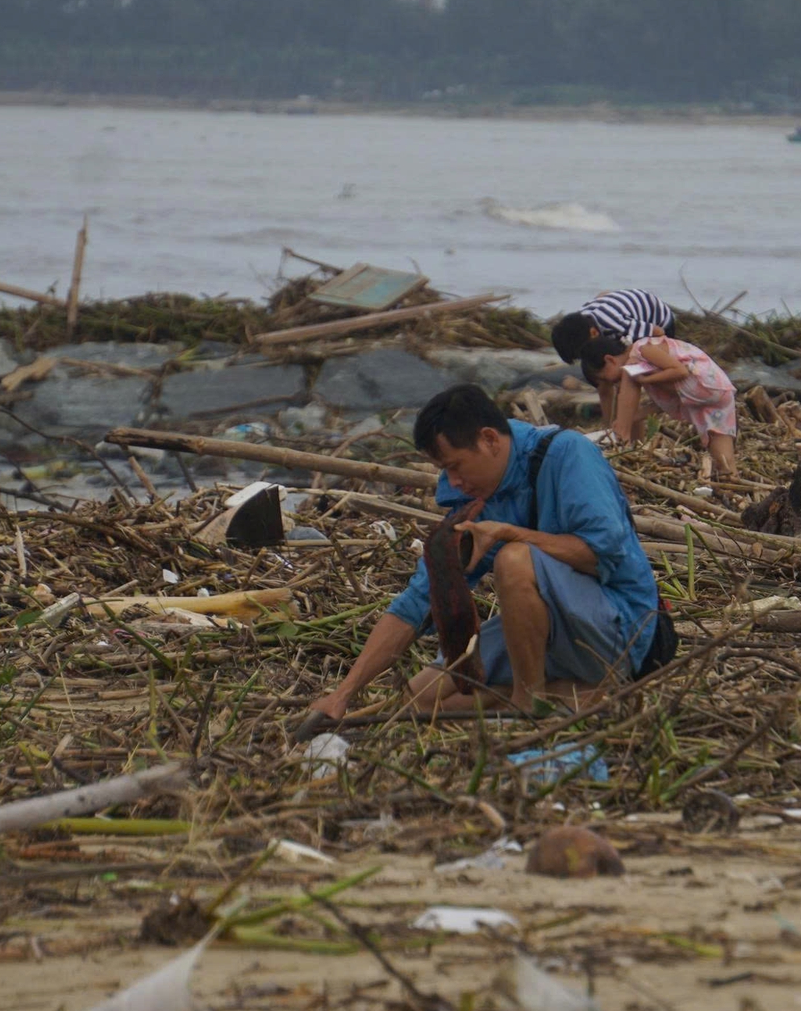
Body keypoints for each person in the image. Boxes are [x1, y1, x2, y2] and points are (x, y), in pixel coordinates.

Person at [309, 385, 666, 721]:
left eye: (455, 465)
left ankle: (528, 704)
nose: (453, 482)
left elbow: (601, 554)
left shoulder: (568, 453)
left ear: (489, 440)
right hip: (550, 635)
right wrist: (344, 693)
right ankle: (570, 694)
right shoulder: (476, 499)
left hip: (620, 630)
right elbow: (419, 601)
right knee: (418, 701)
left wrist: (511, 534)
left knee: (514, 559)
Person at [581, 332, 738, 479]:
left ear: (610, 360)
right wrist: (634, 417)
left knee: (629, 371)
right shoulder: (644, 368)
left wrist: (645, 381)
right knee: (723, 461)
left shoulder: (642, 349)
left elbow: (680, 371)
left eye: (604, 378)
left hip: (705, 384)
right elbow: (658, 405)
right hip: (716, 399)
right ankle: (733, 488)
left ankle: (622, 434)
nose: (610, 384)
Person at [550, 289, 677, 431]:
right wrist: (606, 427)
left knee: (629, 382)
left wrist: (632, 355)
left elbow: (659, 332)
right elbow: (603, 387)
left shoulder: (616, 324)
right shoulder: (579, 327)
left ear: (594, 333)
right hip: (619, 318)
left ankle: (631, 438)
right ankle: (612, 428)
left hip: (658, 322)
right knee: (607, 377)